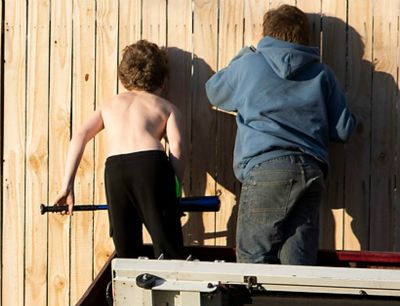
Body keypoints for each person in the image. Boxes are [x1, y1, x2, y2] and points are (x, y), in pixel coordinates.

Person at [205, 4, 355, 265]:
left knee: (253, 260)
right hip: (311, 169)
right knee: (298, 266)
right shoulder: (323, 74)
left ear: (266, 35)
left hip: (267, 168)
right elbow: (343, 131)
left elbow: (214, 91)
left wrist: (247, 53)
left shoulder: (250, 64)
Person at [54, 39, 186, 260]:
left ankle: (128, 287)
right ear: (163, 81)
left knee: (126, 248)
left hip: (115, 169)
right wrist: (175, 191)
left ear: (123, 77)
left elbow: (79, 136)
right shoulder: (166, 107)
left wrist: (67, 185)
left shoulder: (109, 105)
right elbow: (178, 147)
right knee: (167, 243)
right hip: (150, 165)